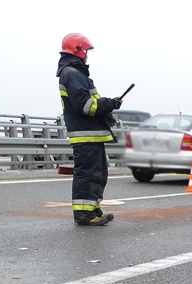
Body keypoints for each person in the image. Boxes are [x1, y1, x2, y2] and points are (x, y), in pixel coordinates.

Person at [57, 33, 121, 226]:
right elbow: (85, 106)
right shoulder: (73, 74)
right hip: (85, 135)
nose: (87, 56)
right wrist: (109, 104)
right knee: (87, 175)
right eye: (86, 52)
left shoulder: (76, 73)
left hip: (92, 135)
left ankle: (93, 208)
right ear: (79, 51)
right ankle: (84, 215)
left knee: (98, 173)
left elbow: (89, 102)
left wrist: (108, 106)